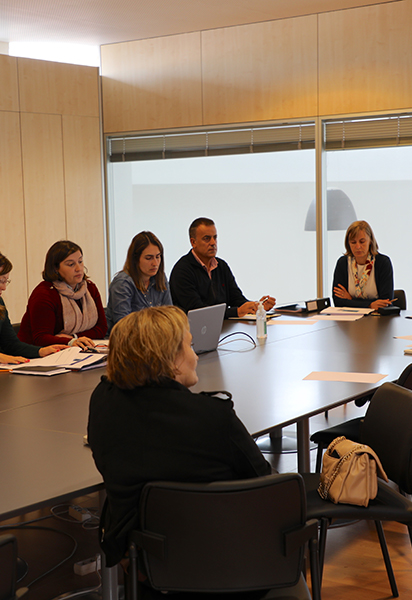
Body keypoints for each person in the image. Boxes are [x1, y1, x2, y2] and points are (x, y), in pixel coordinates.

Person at [87, 305, 272, 567]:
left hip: (146, 561)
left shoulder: (103, 401)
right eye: (190, 345)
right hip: (230, 561)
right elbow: (265, 482)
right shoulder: (213, 417)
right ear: (169, 359)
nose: (195, 356)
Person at [169, 217, 276, 319]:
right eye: (207, 239)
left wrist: (257, 306)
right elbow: (198, 312)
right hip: (194, 333)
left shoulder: (221, 265)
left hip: (223, 328)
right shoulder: (182, 271)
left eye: (215, 237)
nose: (213, 243)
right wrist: (237, 312)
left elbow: (236, 299)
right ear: (193, 242)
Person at [18, 240, 107, 349]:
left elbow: (102, 328)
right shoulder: (44, 294)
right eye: (71, 264)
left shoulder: (90, 288)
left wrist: (74, 338)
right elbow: (41, 338)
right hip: (36, 355)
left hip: (75, 351)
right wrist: (71, 341)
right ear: (55, 268)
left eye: (80, 261)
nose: (78, 268)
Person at [105, 231, 172, 333]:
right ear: (136, 259)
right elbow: (124, 326)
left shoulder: (160, 278)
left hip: (156, 339)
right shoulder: (122, 283)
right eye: (148, 258)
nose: (155, 263)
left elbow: (170, 317)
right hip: (128, 342)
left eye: (158, 257)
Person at [332, 220, 394, 309]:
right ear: (348, 244)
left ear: (370, 241)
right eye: (353, 242)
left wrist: (350, 300)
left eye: (362, 242)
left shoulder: (383, 263)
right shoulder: (343, 263)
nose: (357, 247)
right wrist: (370, 305)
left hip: (378, 318)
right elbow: (338, 302)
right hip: (349, 318)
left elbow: (385, 302)